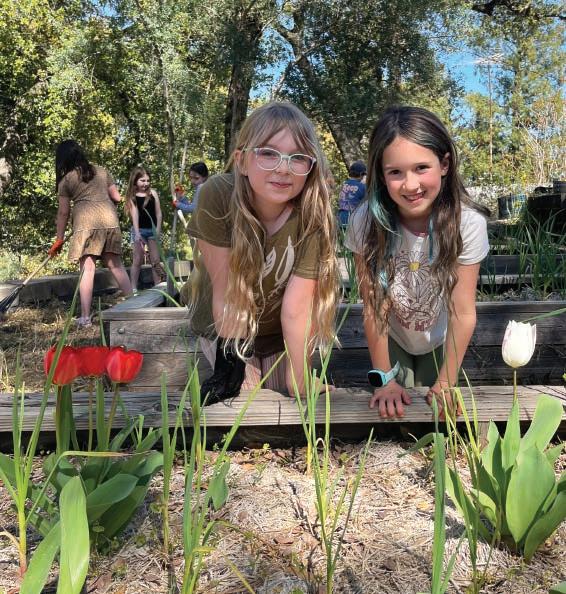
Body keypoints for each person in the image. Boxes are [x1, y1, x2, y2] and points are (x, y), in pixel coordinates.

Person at [184, 101, 339, 405]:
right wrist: (230, 372)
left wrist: (300, 377)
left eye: (298, 157)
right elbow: (228, 294)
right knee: (243, 400)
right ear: (241, 161)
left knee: (289, 401)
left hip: (281, 332)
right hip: (225, 329)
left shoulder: (313, 213)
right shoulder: (218, 195)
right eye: (268, 153)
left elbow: (297, 306)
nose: (283, 168)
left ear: (310, 167)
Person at [345, 106, 490, 419]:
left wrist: (446, 383)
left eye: (421, 167)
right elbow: (373, 307)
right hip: (392, 337)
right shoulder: (365, 222)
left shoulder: (467, 223)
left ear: (444, 164)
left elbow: (463, 312)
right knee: (394, 415)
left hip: (439, 338)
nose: (410, 185)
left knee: (435, 418)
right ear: (381, 175)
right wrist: (384, 380)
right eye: (395, 172)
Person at [49, 140, 133, 327]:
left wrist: (59, 239)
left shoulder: (66, 180)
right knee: (116, 266)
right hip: (109, 222)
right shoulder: (101, 171)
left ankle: (85, 317)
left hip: (86, 224)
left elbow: (63, 213)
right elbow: (117, 197)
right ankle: (136, 307)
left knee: (87, 269)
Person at [126, 166, 164, 291]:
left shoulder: (153, 193)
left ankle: (158, 285)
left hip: (152, 231)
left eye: (148, 180)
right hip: (139, 231)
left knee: (155, 260)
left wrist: (158, 229)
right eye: (142, 180)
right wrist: (137, 233)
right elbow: (135, 215)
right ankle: (133, 288)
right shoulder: (133, 196)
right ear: (135, 180)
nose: (145, 183)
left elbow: (158, 213)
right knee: (137, 260)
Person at [337, 160, 366, 227]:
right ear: (361, 174)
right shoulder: (362, 187)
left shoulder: (344, 184)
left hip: (341, 217)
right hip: (353, 219)